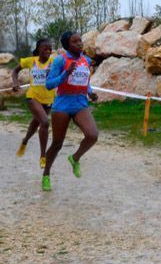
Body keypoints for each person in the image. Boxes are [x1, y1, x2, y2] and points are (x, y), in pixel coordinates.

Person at [42, 31, 98, 191]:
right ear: (68, 45)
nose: (80, 43)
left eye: (80, 40)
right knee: (57, 144)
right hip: (62, 105)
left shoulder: (85, 60)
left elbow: (85, 80)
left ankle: (75, 158)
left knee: (92, 135)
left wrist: (90, 92)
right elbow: (49, 84)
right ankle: (46, 174)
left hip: (80, 102)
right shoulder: (60, 60)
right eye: (75, 42)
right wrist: (65, 74)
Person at [12, 38, 56, 168]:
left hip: (48, 99)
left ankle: (24, 141)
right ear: (38, 49)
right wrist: (16, 82)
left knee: (35, 123)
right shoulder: (31, 61)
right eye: (45, 48)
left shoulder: (54, 62)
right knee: (45, 122)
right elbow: (14, 71)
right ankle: (43, 156)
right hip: (33, 97)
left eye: (50, 48)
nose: (48, 50)